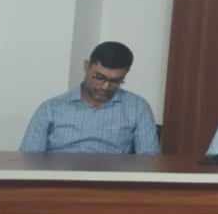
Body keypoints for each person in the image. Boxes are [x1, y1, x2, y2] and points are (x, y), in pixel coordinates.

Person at [19, 41, 159, 154]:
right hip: (60, 178)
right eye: (99, 77)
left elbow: (148, 162)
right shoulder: (51, 109)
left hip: (112, 178)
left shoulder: (138, 108)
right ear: (86, 67)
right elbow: (29, 160)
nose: (105, 86)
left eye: (115, 81)